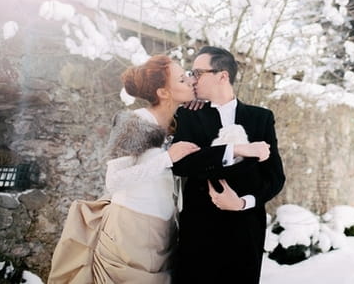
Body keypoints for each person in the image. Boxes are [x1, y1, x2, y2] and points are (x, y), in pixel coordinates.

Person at [48, 55, 200, 284]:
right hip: (128, 232)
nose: (190, 81)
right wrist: (167, 158)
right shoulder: (135, 121)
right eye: (182, 79)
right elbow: (114, 180)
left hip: (163, 234)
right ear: (163, 92)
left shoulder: (177, 123)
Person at [171, 46, 286, 284]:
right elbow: (181, 165)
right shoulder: (189, 115)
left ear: (222, 76)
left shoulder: (261, 118)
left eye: (198, 73)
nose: (192, 79)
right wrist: (231, 150)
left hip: (246, 231)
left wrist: (243, 203)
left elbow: (275, 177)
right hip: (199, 231)